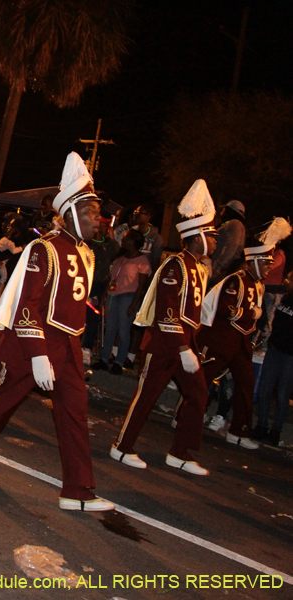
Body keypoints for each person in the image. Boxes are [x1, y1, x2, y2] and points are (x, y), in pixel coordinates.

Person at [0, 152, 114, 512]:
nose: (98, 218)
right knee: (2, 401)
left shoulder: (87, 253)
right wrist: (40, 354)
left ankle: (77, 491)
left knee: (75, 412)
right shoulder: (44, 248)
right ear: (71, 211)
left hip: (69, 343)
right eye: (91, 210)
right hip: (33, 342)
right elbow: (28, 304)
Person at [112, 180, 217, 475]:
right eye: (211, 234)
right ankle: (121, 447)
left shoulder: (198, 267)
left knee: (198, 395)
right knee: (147, 396)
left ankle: (180, 452)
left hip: (186, 345)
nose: (215, 240)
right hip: (166, 345)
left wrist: (191, 346)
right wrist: (183, 347)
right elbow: (167, 310)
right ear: (196, 238)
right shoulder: (176, 266)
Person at [199, 219, 291, 449]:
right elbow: (225, 309)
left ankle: (237, 430)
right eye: (266, 262)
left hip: (240, 340)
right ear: (253, 262)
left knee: (246, 384)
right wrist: (253, 313)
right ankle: (184, 417)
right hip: (221, 338)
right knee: (202, 380)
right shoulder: (236, 280)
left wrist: (254, 317)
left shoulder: (257, 284)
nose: (270, 267)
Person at [93, 228, 150, 374]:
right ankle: (105, 359)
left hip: (128, 296)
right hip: (113, 295)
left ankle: (119, 362)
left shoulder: (142, 261)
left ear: (131, 242)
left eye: (125, 239)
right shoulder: (120, 258)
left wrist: (133, 305)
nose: (122, 241)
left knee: (124, 332)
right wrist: (104, 295)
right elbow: (111, 278)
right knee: (110, 329)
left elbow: (141, 287)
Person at [253, 270, 293, 446]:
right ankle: (262, 426)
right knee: (265, 389)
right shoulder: (284, 298)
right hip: (274, 349)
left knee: (283, 394)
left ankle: (276, 431)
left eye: (290, 279)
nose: (286, 281)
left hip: (289, 355)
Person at [83, 214, 120, 365]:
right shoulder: (87, 243)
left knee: (92, 316)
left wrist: (111, 237)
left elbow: (118, 251)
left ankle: (86, 348)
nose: (105, 229)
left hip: (98, 286)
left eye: (107, 226)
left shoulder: (109, 245)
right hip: (84, 283)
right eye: (102, 225)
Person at [209, 200, 247, 285]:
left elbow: (231, 246)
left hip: (220, 271)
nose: (222, 212)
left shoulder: (234, 224)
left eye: (224, 209)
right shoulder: (231, 224)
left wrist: (218, 266)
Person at [130, 203, 164, 272]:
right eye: (135, 212)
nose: (135, 214)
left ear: (148, 216)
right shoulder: (130, 233)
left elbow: (155, 263)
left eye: (139, 213)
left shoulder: (156, 238)